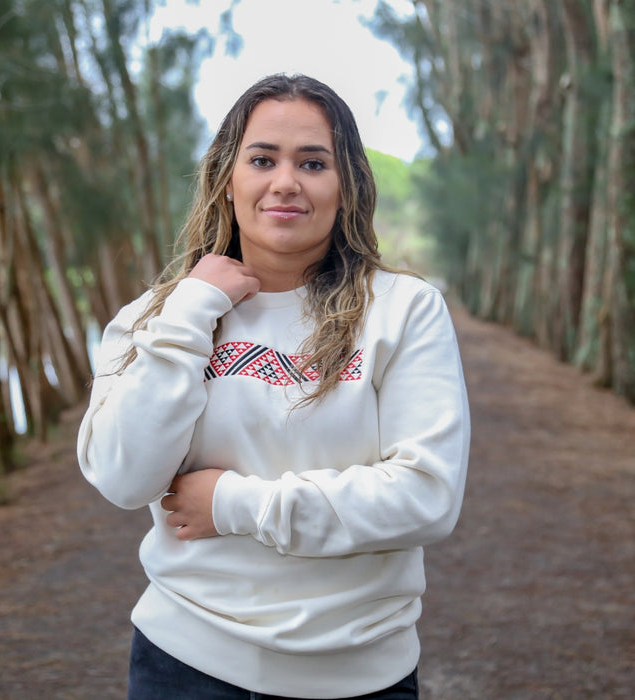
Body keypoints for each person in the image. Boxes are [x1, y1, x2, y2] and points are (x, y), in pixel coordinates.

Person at [77, 73, 470, 700]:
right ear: (227, 180)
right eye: (262, 159)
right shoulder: (155, 316)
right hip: (184, 662)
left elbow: (426, 496)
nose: (285, 181)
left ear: (347, 187)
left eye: (313, 162)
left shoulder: (404, 310)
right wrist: (192, 309)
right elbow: (124, 478)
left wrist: (234, 505)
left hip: (359, 671)